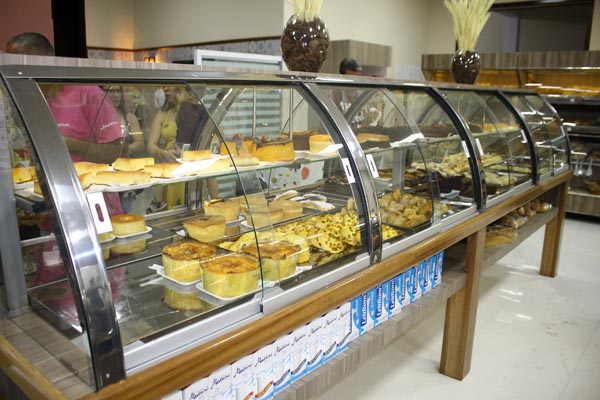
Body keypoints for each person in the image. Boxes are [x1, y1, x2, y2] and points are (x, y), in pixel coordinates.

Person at [6, 32, 126, 214]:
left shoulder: (89, 94)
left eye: (18, 65)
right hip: (53, 203)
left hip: (94, 206)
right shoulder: (34, 99)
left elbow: (115, 153)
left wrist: (67, 143)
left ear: (43, 61)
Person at [105, 85, 145, 157]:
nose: (116, 95)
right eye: (111, 91)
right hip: (105, 160)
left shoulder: (129, 118)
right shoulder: (99, 118)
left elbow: (140, 144)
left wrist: (124, 149)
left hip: (127, 160)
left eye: (118, 91)